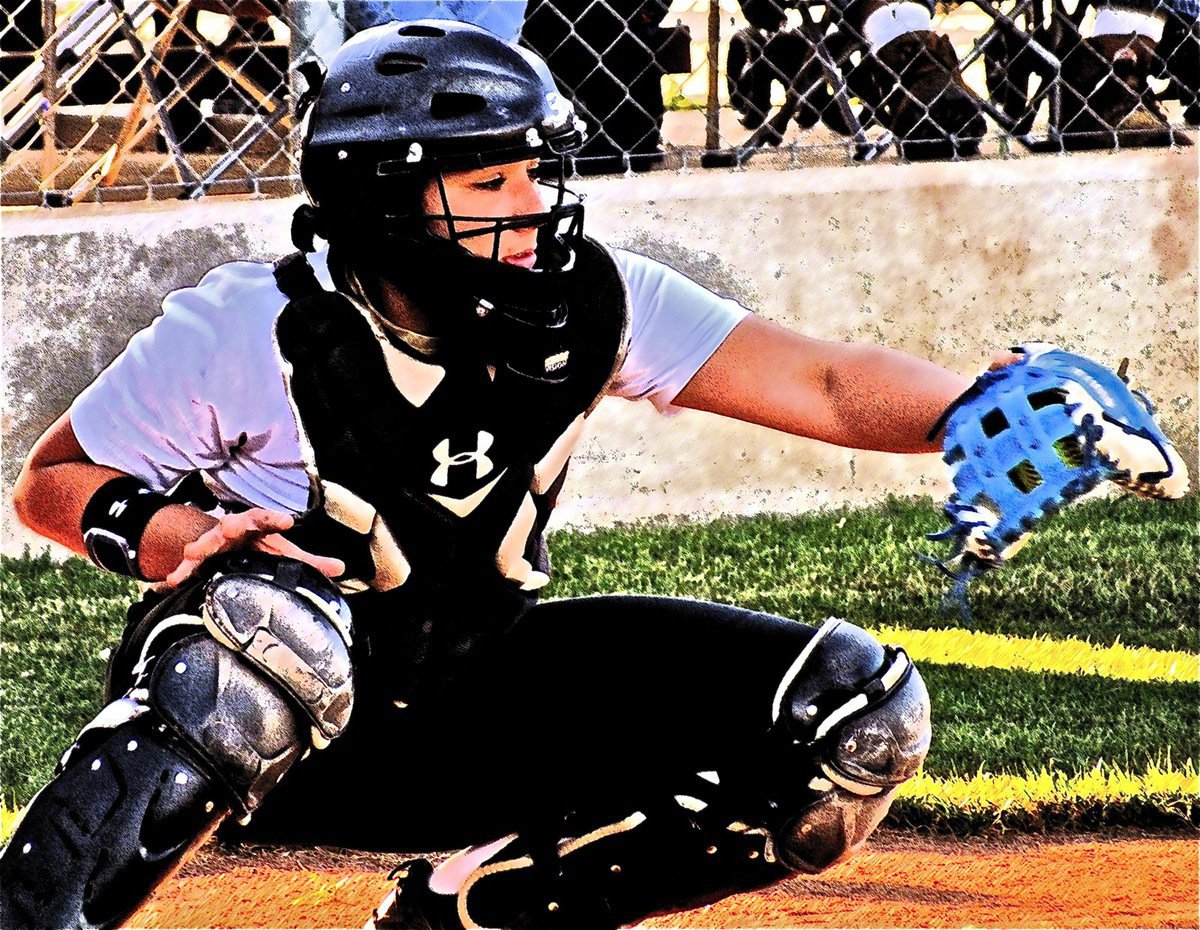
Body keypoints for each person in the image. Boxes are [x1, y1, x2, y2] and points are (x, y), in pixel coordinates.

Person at [1, 20, 975, 930]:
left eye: (531, 171)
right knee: (273, 629)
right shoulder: (252, 326)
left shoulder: (597, 299)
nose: (531, 204)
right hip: (282, 738)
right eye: (488, 183)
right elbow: (55, 480)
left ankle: (469, 910)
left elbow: (828, 382)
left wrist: (984, 410)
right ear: (385, 198)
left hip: (476, 700)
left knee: (856, 714)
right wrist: (182, 538)